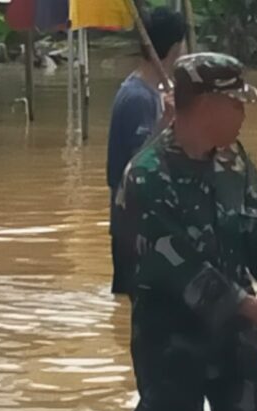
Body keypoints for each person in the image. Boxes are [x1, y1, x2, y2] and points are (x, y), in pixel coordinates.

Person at [118, 52, 257, 411]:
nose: (244, 114)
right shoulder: (147, 177)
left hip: (234, 338)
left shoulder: (233, 160)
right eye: (237, 103)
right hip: (169, 342)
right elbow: (176, 267)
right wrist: (251, 306)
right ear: (208, 105)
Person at [107, 7, 187, 294]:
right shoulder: (138, 98)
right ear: (175, 49)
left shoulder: (159, 94)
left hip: (152, 227)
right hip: (134, 227)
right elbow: (135, 167)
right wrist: (166, 123)